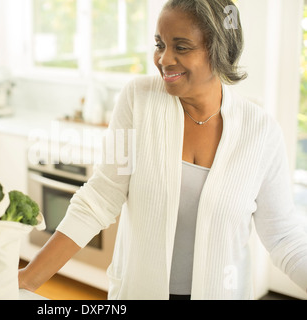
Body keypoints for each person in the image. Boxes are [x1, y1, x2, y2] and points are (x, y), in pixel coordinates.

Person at [19, 0, 307, 300]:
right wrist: (28, 278)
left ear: (219, 51)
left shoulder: (261, 131)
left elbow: (284, 237)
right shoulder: (137, 100)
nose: (164, 59)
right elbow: (100, 198)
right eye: (160, 44)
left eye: (181, 47)